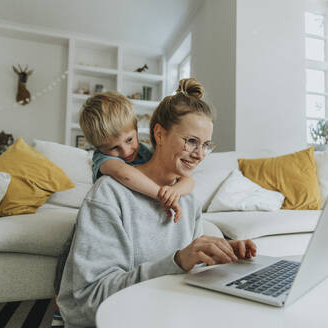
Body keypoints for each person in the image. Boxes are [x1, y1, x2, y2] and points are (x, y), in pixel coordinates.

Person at [56, 78, 256, 327]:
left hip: (171, 314)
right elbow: (87, 303)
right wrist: (179, 261)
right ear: (159, 134)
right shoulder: (109, 194)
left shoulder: (188, 198)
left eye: (206, 145)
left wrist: (222, 260)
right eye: (191, 141)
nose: (200, 154)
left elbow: (187, 275)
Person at [51, 91, 194, 326]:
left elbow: (189, 180)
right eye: (114, 148)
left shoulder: (146, 150)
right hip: (99, 219)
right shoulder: (103, 160)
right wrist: (161, 194)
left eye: (129, 140)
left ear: (138, 128)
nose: (126, 152)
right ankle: (60, 309)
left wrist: (176, 191)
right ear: (98, 147)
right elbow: (125, 175)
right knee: (69, 261)